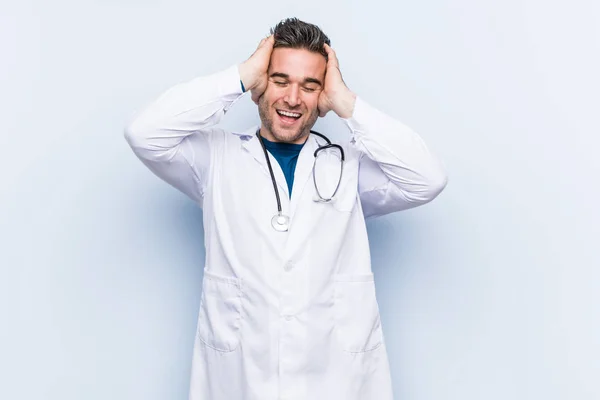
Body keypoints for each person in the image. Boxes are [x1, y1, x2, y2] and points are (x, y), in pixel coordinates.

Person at [124, 17, 447, 400]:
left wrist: (347, 104)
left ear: (322, 96)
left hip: (335, 380)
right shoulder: (214, 158)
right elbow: (144, 133)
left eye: (309, 86)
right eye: (280, 81)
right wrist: (240, 76)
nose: (293, 99)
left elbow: (427, 179)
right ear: (260, 87)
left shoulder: (348, 166)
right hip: (241, 378)